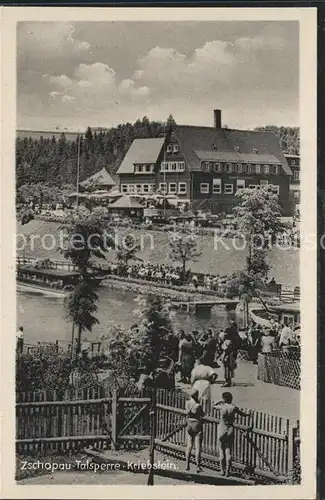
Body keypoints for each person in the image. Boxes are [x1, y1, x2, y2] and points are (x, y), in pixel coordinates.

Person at [213, 392, 251, 477]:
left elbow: (213, 405)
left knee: (221, 450)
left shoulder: (222, 407)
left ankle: (222, 470)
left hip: (222, 427)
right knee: (228, 451)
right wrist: (248, 413)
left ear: (224, 399)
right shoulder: (233, 407)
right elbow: (243, 414)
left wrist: (220, 400)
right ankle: (227, 471)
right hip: (230, 428)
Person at [185, 387, 205, 473]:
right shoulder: (198, 405)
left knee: (189, 445)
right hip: (197, 424)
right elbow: (202, 415)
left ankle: (187, 464)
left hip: (189, 423)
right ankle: (198, 466)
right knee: (197, 447)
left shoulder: (187, 403)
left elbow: (187, 413)